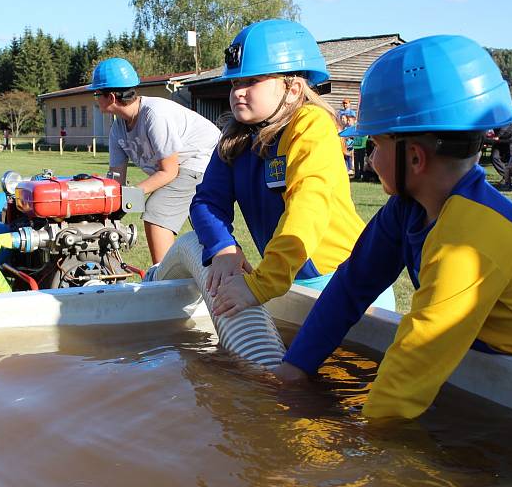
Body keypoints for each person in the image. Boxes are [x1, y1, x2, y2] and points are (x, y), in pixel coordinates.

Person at [274, 35, 512, 420]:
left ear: (413, 157)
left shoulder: (472, 236)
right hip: (500, 370)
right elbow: (351, 286)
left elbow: (414, 361)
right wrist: (293, 369)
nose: (369, 158)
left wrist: (360, 445)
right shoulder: (407, 210)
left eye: (374, 145)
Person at [190, 19, 394, 318]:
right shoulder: (235, 139)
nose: (238, 92)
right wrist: (222, 248)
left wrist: (263, 283)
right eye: (234, 83)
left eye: (251, 81)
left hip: (347, 277)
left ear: (294, 88)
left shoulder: (311, 125)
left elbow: (306, 207)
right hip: (291, 281)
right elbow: (207, 201)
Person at [90, 57, 221, 264]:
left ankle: (163, 281)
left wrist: (129, 198)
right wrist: (107, 205)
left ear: (112, 97)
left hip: (204, 160)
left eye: (97, 93)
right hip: (181, 167)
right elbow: (116, 178)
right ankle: (227, 274)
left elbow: (169, 171)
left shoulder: (154, 115)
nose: (95, 98)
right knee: (208, 232)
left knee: (156, 212)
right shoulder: (117, 128)